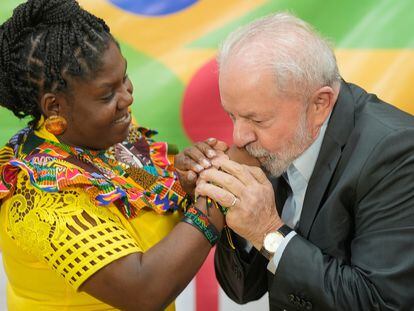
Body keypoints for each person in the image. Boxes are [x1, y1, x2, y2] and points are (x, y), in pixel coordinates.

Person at [175, 12, 414, 310]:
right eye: (232, 115)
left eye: (256, 119)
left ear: (319, 104)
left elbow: (382, 303)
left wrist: (267, 233)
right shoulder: (273, 144)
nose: (239, 136)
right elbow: (242, 291)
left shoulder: (396, 152)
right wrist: (236, 211)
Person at [0, 0, 229, 310]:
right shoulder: (41, 195)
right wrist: (213, 202)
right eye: (107, 94)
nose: (127, 97)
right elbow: (142, 291)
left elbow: (149, 188)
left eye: (124, 78)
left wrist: (186, 180)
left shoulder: (110, 139)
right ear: (54, 106)